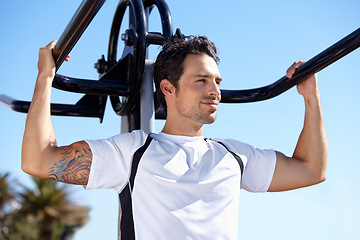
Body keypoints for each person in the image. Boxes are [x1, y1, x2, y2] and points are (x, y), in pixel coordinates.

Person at [21, 36, 328, 240]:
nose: (215, 91)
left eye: (217, 81)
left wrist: (310, 97)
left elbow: (311, 169)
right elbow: (39, 160)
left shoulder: (233, 156)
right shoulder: (132, 153)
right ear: (168, 88)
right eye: (201, 80)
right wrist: (45, 79)